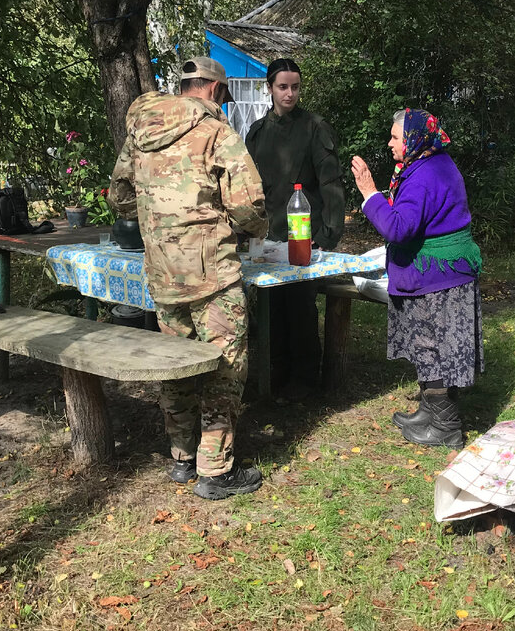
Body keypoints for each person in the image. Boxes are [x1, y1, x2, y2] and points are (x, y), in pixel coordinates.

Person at [109, 56, 269, 500]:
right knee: (224, 368)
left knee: (174, 367)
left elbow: (119, 196)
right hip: (213, 277)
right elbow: (248, 204)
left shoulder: (141, 132)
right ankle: (215, 470)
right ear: (215, 90)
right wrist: (255, 232)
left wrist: (153, 223)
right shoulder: (217, 131)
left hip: (162, 274)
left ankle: (181, 458)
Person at [350, 108, 483, 449]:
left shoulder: (424, 175)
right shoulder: (431, 163)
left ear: (413, 138)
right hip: (442, 275)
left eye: (396, 137)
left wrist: (369, 192)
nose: (391, 143)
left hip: (439, 279)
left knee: (432, 346)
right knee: (427, 344)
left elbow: (398, 228)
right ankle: (429, 412)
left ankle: (446, 427)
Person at [244, 58, 345, 399]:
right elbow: (249, 189)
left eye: (295, 87)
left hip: (306, 236)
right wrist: (249, 232)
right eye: (283, 87)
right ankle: (274, 373)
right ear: (269, 88)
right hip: (268, 237)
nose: (290, 94)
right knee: (271, 308)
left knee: (301, 307)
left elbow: (331, 183)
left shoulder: (315, 127)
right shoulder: (257, 132)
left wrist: (327, 237)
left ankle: (304, 380)